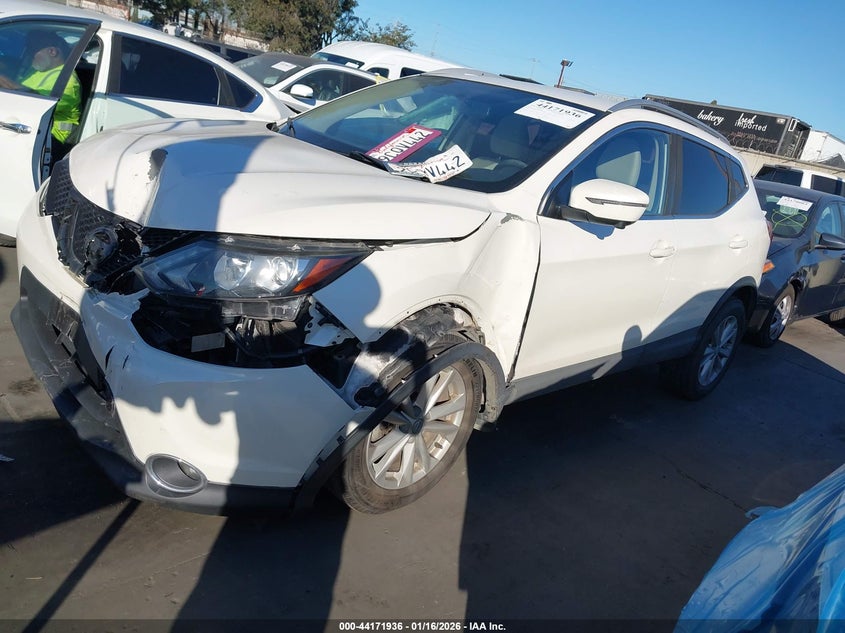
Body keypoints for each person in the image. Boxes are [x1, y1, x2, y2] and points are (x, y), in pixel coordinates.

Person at [0, 30, 81, 151]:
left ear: (52, 52)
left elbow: (36, 103)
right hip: (27, 129)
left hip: (49, 143)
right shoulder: (39, 69)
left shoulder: (68, 81)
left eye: (32, 50)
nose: (29, 55)